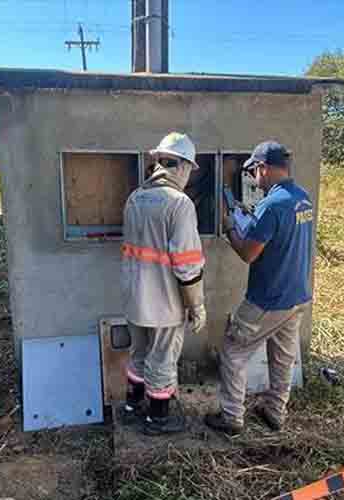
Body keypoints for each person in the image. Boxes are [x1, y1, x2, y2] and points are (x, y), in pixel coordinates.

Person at [205, 141, 314, 435]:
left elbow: (248, 253)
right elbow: (281, 237)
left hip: (267, 298)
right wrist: (250, 216)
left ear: (263, 168)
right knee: (282, 357)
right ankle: (275, 413)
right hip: (296, 296)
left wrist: (230, 227)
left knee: (233, 350)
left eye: (253, 171)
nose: (253, 178)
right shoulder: (302, 199)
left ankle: (231, 418)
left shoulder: (272, 205)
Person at [121, 132, 207, 435]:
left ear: (158, 161)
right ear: (181, 166)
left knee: (139, 354)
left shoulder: (135, 198)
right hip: (164, 303)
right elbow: (187, 264)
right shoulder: (179, 204)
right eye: (189, 169)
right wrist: (196, 305)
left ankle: (132, 406)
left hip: (134, 299)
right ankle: (158, 418)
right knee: (162, 359)